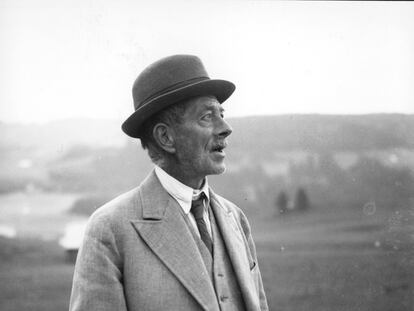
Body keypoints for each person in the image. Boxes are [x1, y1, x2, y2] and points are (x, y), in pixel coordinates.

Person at [69, 55, 268, 311]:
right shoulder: (110, 228)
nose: (225, 127)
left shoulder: (235, 218)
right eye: (207, 117)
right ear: (166, 137)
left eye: (221, 113)